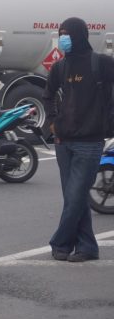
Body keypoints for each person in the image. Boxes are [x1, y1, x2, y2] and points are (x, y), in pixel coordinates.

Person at [43, 17, 114, 262]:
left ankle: (60, 242)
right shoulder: (60, 67)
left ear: (80, 35)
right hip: (63, 142)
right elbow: (48, 95)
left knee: (75, 197)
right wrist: (52, 121)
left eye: (67, 34)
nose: (63, 38)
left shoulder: (101, 63)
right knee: (76, 197)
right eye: (60, 33)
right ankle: (87, 247)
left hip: (90, 142)